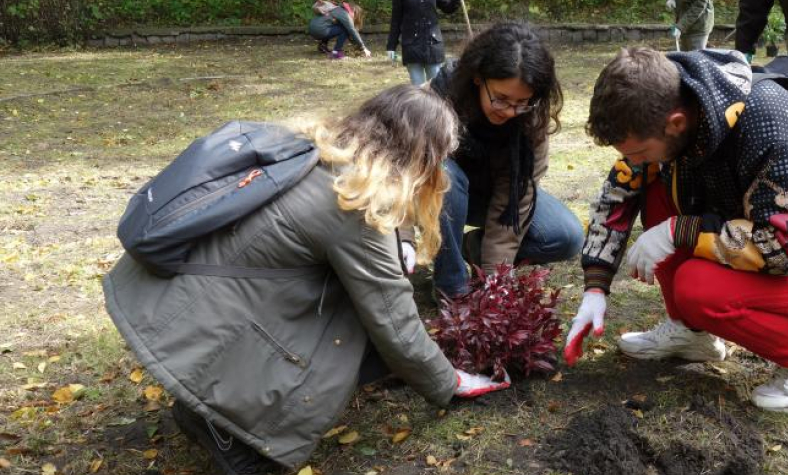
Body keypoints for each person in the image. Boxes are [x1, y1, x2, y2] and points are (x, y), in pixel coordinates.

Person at [103, 86, 510, 475]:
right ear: (419, 158)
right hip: (197, 315)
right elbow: (395, 322)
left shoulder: (319, 149)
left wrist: (401, 239)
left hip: (170, 294)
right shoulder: (357, 207)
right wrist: (451, 381)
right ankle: (224, 427)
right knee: (357, 318)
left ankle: (210, 401)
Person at [564, 47, 788, 413]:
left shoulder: (773, 131)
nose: (632, 161)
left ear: (676, 122)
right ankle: (692, 333)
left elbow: (785, 250)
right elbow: (619, 192)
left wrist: (679, 232)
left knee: (698, 288)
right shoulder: (669, 104)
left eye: (639, 151)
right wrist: (595, 286)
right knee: (654, 189)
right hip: (775, 235)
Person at [398, 22, 583, 300]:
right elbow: (403, 171)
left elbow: (516, 196)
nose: (511, 111)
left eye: (522, 102)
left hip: (495, 196)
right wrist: (404, 238)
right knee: (445, 174)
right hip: (438, 194)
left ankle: (474, 248)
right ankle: (451, 286)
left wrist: (496, 278)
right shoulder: (435, 99)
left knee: (565, 236)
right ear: (477, 78)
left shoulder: (531, 119)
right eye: (501, 99)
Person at [386, 0, 460, 85]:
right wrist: (391, 46)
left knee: (435, 88)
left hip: (432, 45)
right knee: (418, 89)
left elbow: (448, 8)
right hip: (412, 47)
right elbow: (396, 20)